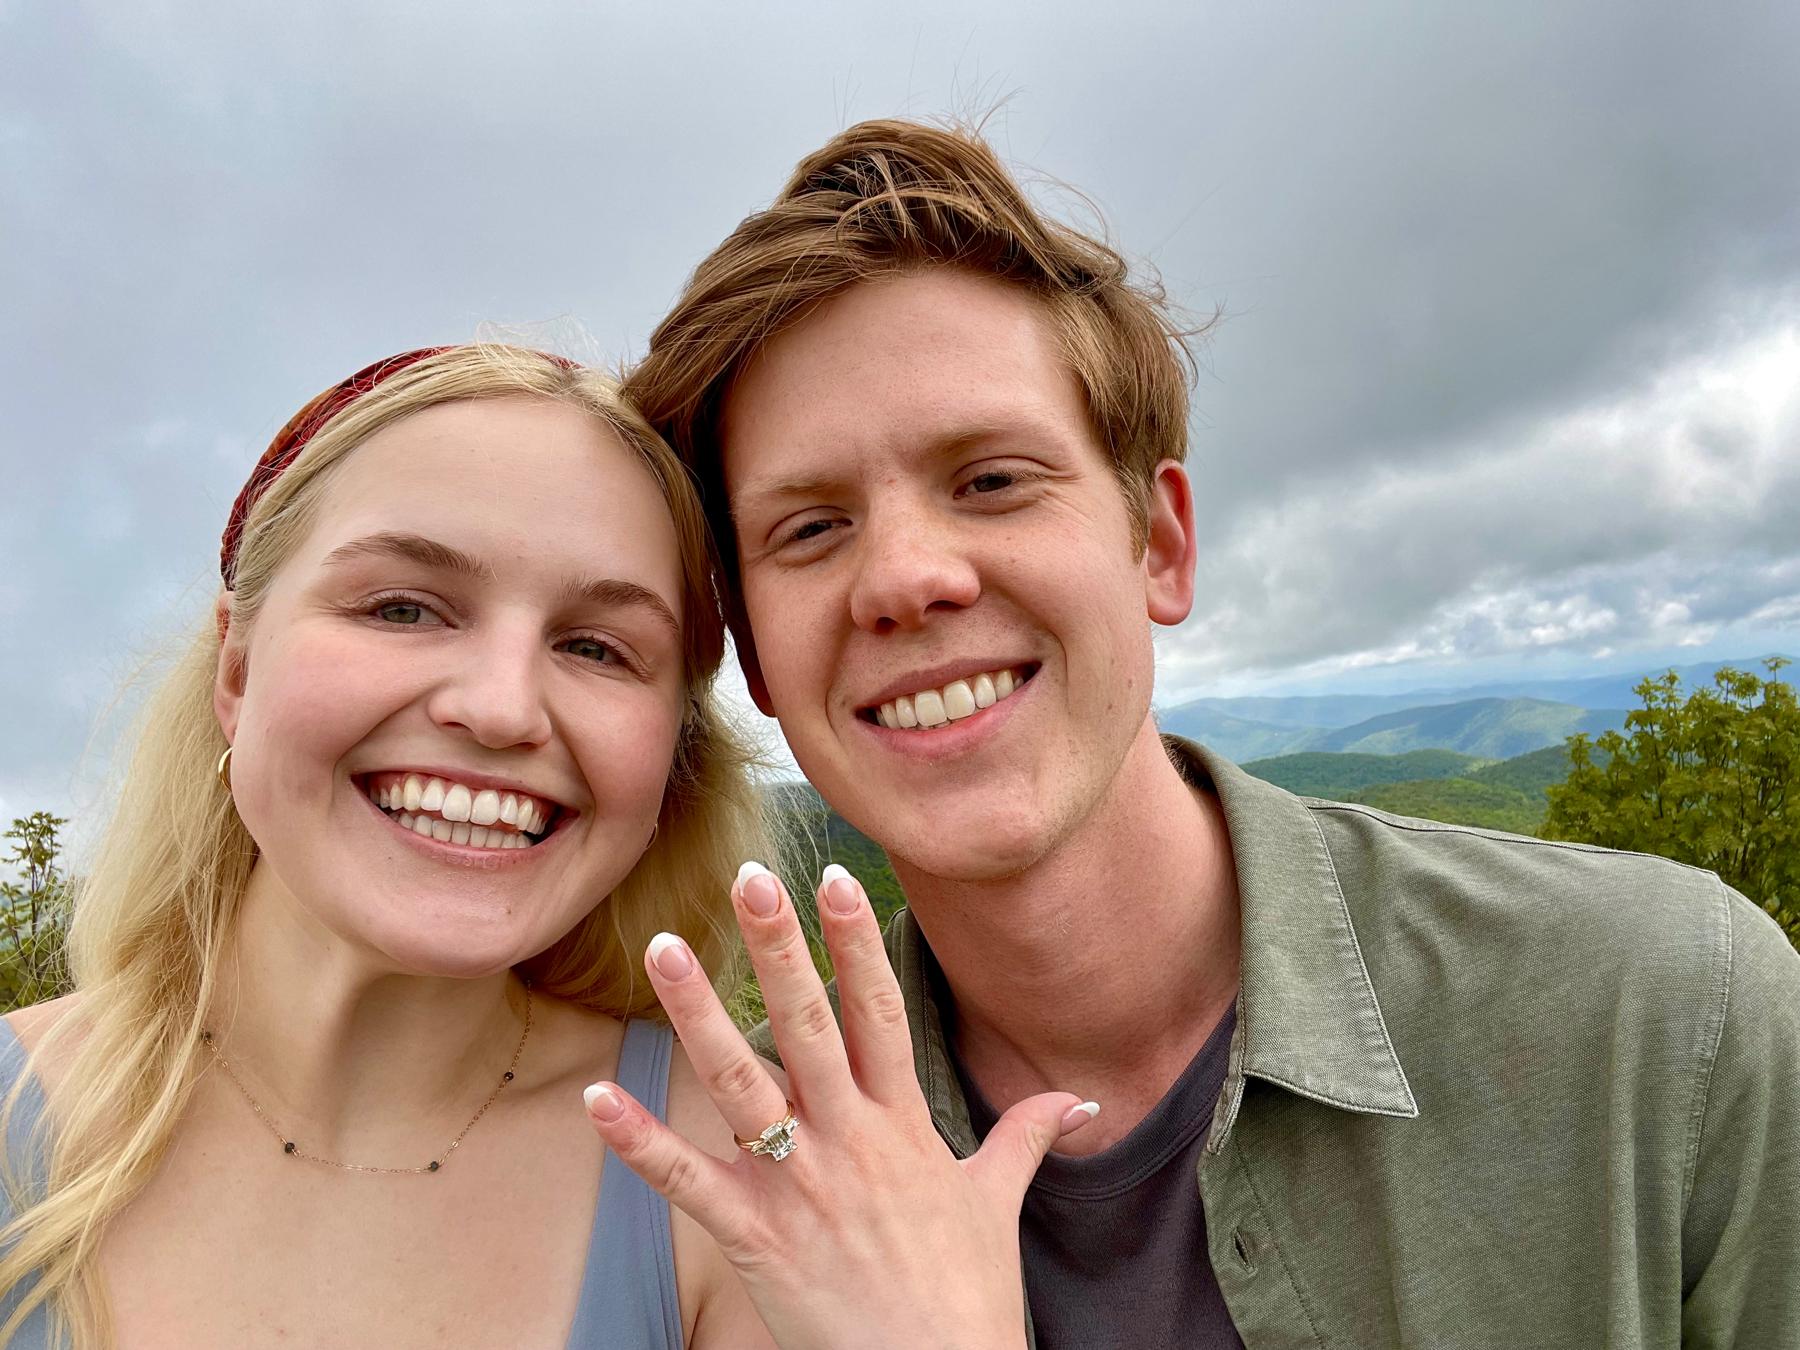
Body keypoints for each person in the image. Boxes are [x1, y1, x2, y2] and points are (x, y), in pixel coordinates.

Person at [590, 120, 1800, 1348]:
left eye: (993, 479)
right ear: (755, 658)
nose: (904, 577)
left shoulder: (1662, 1020)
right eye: (808, 528)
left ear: (1159, 543)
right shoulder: (725, 1204)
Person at [0, 346, 779, 1348]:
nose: (500, 710)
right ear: (236, 670)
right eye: (402, 607)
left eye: (596, 647)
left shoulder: (737, 1184)